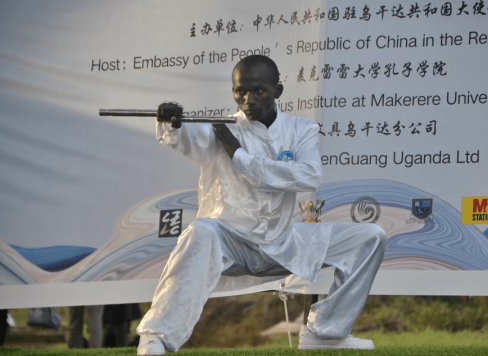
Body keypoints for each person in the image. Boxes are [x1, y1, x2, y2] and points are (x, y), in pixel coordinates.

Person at [136, 55, 387, 355]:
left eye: (258, 91)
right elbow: (189, 136)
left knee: (370, 237)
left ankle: (326, 333)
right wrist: (172, 123)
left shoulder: (300, 130)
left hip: (283, 243)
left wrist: (241, 158)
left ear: (277, 91)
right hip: (232, 244)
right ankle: (155, 336)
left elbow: (309, 176)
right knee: (200, 230)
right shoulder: (221, 130)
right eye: (240, 90)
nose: (247, 99)